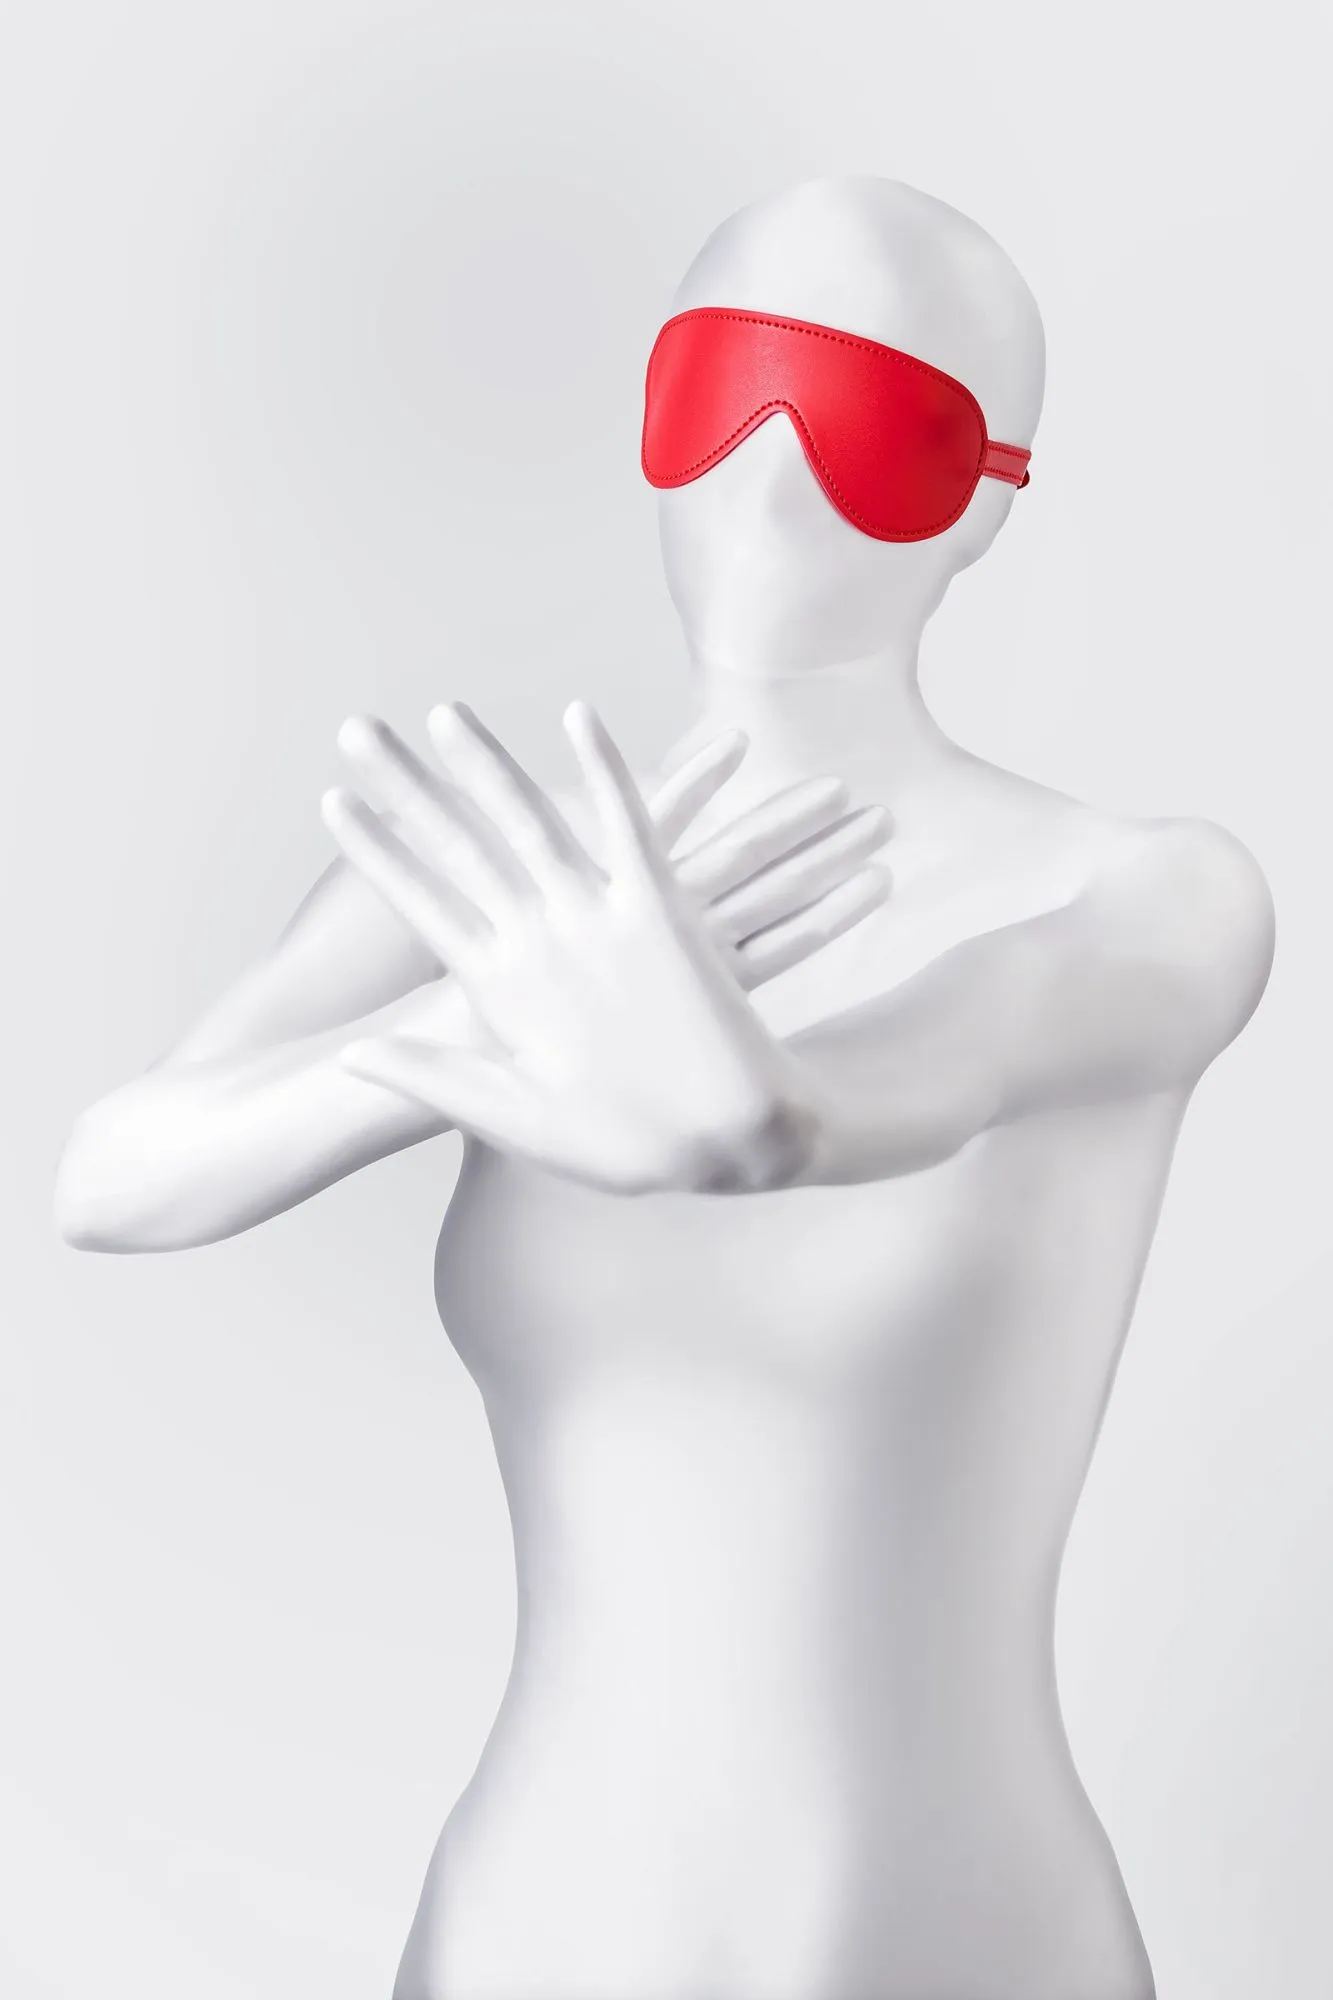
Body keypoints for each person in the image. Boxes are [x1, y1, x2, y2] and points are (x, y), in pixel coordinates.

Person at [54, 177, 1274, 2000]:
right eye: (717, 395)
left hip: (951, 1935)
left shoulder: (1146, 897)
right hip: (533, 1926)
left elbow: (892, 1083)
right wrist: (425, 1047)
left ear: (988, 499)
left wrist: (755, 1116)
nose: (766, 485)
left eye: (866, 426)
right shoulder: (500, 897)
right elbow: (109, 1178)